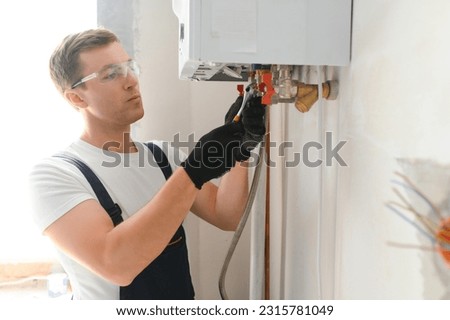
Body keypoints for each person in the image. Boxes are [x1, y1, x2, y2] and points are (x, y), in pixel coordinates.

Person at [28, 28, 265, 300]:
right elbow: (115, 264)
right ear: (76, 97)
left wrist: (241, 147)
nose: (131, 81)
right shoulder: (54, 176)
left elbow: (227, 215)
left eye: (129, 67)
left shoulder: (161, 157)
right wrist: (193, 172)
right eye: (111, 74)